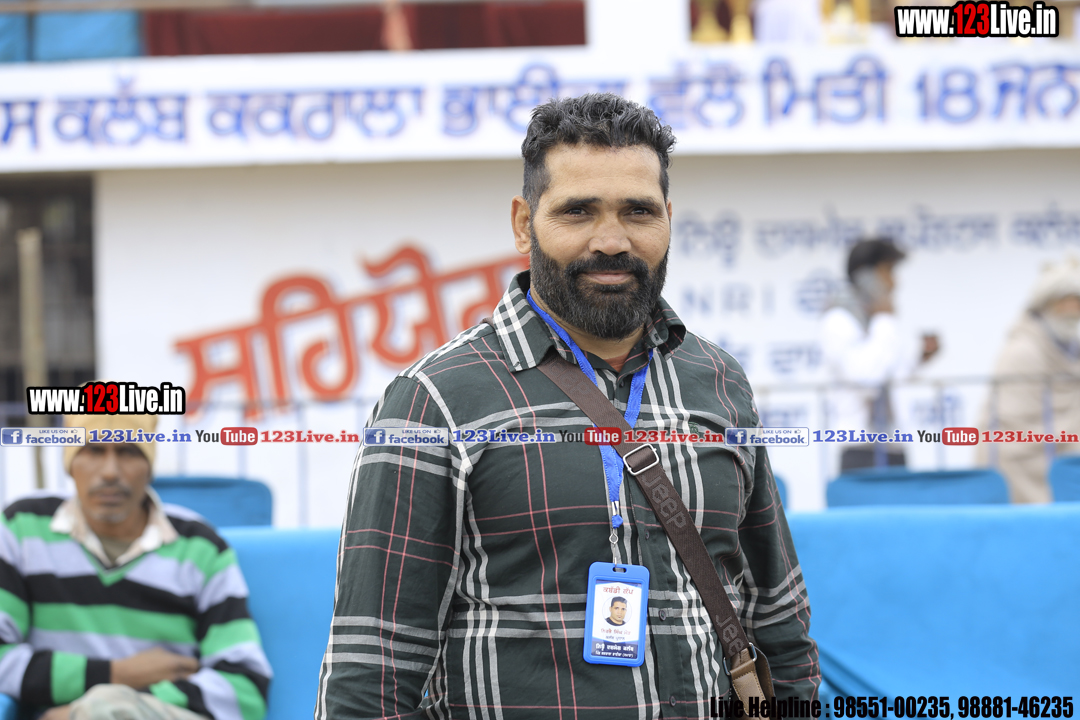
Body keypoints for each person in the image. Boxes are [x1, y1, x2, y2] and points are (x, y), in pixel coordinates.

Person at [316, 93, 818, 719]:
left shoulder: (717, 382)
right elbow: (371, 669)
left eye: (638, 211)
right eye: (578, 211)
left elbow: (779, 621)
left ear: (668, 218)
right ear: (524, 222)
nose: (611, 241)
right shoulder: (435, 401)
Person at [0, 413, 271, 720]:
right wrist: (117, 673)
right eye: (94, 450)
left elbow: (245, 688)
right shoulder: (22, 529)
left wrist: (110, 707)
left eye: (128, 451)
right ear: (70, 463)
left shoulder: (199, 546)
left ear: (149, 466)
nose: (110, 472)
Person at [820, 238, 940, 472]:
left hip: (894, 446)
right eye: (888, 272)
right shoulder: (838, 320)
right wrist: (885, 320)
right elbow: (868, 379)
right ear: (865, 276)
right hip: (860, 449)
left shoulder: (876, 319)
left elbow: (890, 373)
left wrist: (919, 358)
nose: (894, 283)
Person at [976, 257, 1080, 503]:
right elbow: (1013, 428)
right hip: (1021, 463)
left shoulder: (1071, 348)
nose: (1073, 310)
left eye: (1078, 302)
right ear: (1047, 304)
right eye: (1066, 302)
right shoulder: (1023, 352)